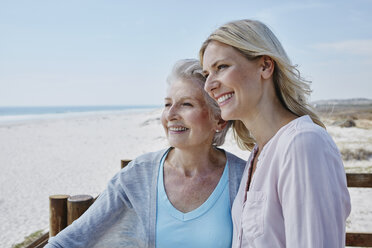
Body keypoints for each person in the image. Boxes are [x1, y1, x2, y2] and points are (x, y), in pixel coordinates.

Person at [45, 59, 246, 248]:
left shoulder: (245, 177)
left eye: (186, 104)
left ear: (219, 120)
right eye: (168, 104)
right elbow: (67, 241)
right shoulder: (138, 175)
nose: (171, 114)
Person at [200, 19, 351, 248]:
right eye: (206, 74)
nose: (209, 85)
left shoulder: (302, 143)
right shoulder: (259, 154)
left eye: (221, 67)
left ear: (265, 66)